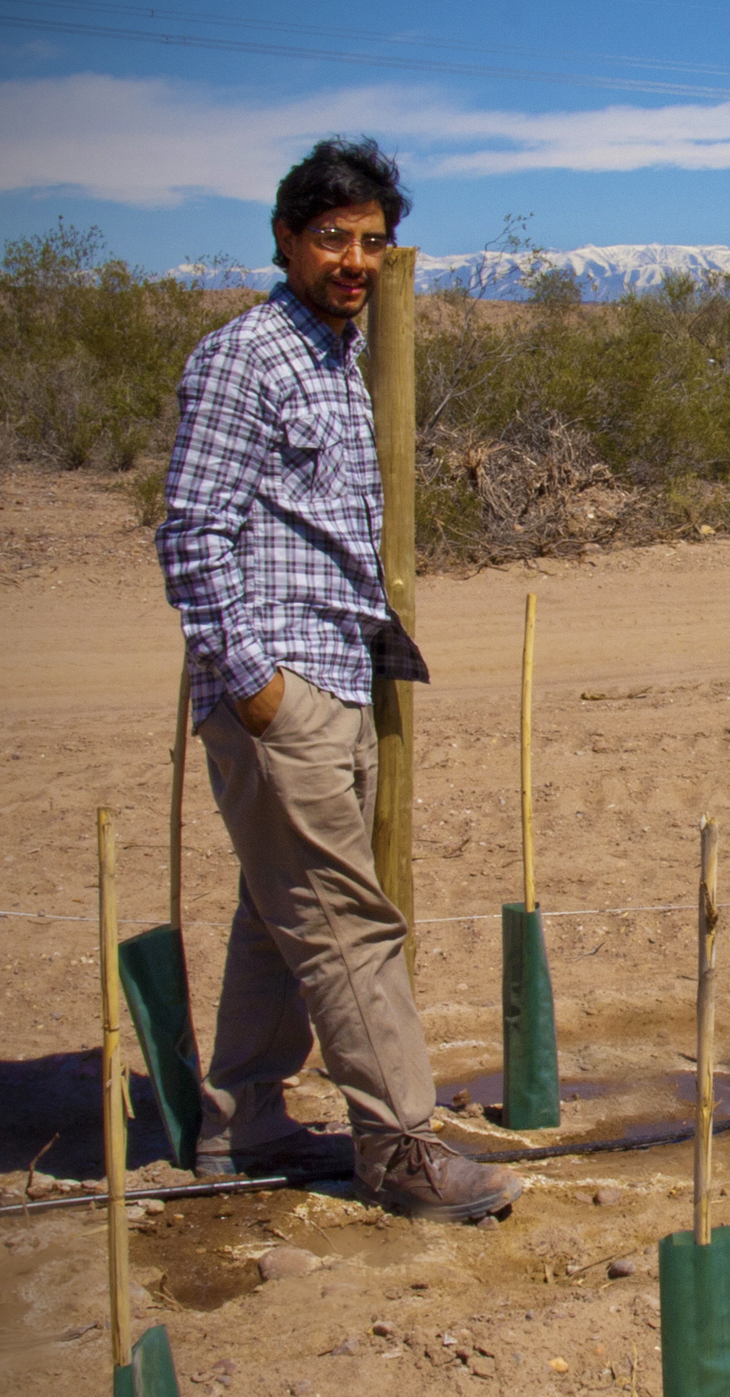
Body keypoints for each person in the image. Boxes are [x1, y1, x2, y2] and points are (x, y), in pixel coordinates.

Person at [156, 136, 520, 1222]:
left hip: (337, 677)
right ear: (285, 237)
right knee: (349, 920)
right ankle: (401, 1148)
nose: (355, 259)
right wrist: (254, 686)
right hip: (284, 691)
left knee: (283, 914)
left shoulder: (338, 356)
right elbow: (189, 534)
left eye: (373, 241)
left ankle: (244, 1124)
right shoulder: (247, 359)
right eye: (333, 239)